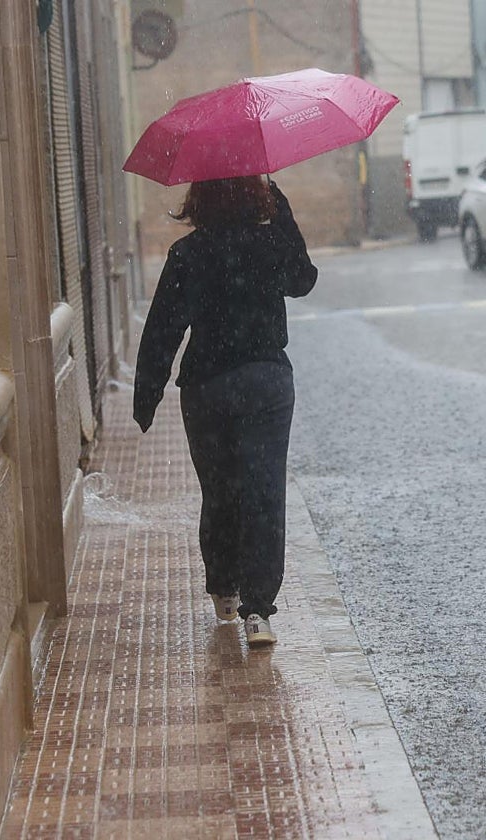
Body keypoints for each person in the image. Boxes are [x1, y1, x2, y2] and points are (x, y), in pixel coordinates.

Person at [133, 176, 317, 646]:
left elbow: (163, 328)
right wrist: (283, 212)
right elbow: (303, 280)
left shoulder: (187, 254)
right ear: (254, 195)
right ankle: (259, 612)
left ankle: (224, 588)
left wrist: (147, 393)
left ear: (199, 199)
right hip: (266, 381)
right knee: (263, 490)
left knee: (220, 490)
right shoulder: (268, 241)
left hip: (207, 388)